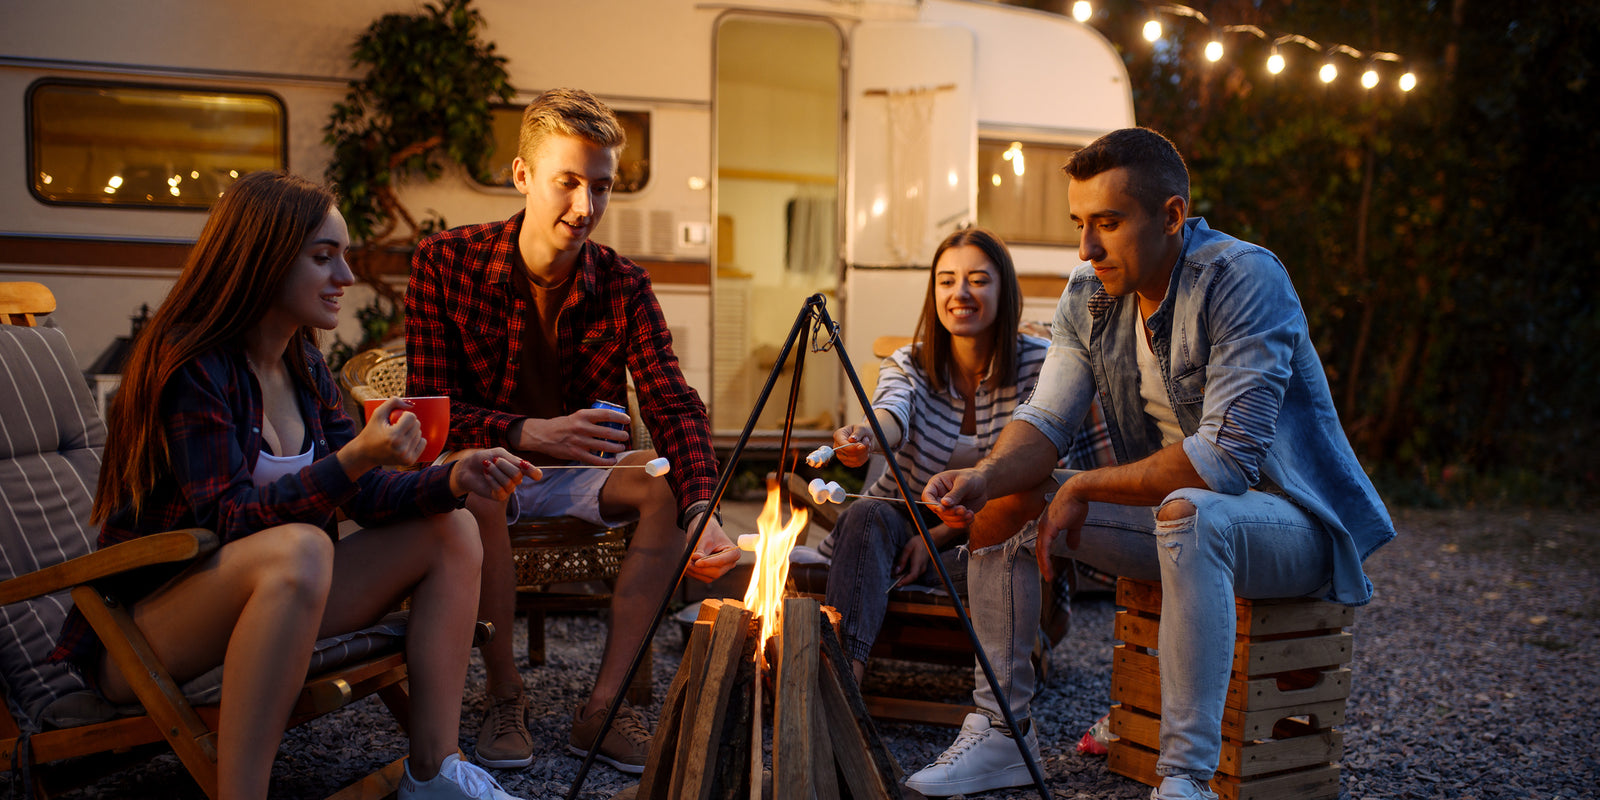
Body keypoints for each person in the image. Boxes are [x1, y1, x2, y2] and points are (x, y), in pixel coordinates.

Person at [912, 128, 1397, 800]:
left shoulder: (1244, 278)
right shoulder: (1091, 292)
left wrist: (1083, 484)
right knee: (1007, 502)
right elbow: (1046, 418)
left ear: (1172, 215)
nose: (1087, 247)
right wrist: (985, 476)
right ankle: (1001, 735)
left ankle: (1184, 781)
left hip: (1295, 524)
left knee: (1193, 512)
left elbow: (1224, 463)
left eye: (1107, 223)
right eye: (1080, 224)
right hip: (1177, 520)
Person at [51, 171, 540, 800]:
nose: (347, 277)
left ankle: (434, 772)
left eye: (343, 256)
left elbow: (360, 497)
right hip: (144, 635)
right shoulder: (191, 366)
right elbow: (228, 519)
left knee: (453, 525)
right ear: (262, 259)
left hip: (278, 599)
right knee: (302, 546)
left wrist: (452, 477)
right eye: (323, 257)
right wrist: (353, 461)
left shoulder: (304, 363)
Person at [405, 88, 740, 774]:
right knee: (483, 482)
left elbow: (673, 405)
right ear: (523, 176)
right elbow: (429, 414)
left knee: (667, 482)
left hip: (578, 472)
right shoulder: (445, 262)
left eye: (602, 187)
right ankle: (505, 697)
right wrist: (531, 432)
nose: (585, 207)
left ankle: (603, 708)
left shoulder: (624, 285)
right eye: (568, 183)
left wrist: (706, 506)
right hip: (487, 466)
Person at [823, 227, 1107, 692]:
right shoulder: (909, 362)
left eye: (978, 279)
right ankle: (842, 688)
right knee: (866, 513)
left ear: (1004, 289)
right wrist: (867, 438)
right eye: (947, 280)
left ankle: (1001, 692)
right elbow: (892, 411)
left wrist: (937, 537)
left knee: (1002, 546)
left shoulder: (1043, 364)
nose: (960, 293)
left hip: (994, 528)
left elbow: (1037, 471)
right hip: (905, 519)